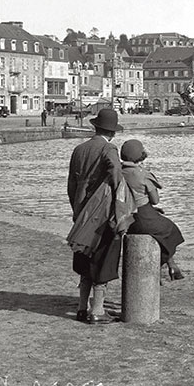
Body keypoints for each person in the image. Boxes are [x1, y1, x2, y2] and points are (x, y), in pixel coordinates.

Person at [66, 108, 130, 325]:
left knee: (83, 261)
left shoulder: (79, 149)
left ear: (96, 126)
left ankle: (82, 308)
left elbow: (71, 185)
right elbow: (116, 174)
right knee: (103, 260)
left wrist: (77, 209)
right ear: (112, 132)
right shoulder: (109, 148)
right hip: (101, 215)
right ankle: (98, 310)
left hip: (81, 212)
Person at [119, 139, 185, 281]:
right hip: (143, 216)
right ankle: (167, 264)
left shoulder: (117, 172)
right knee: (169, 229)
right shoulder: (143, 174)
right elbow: (155, 200)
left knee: (157, 227)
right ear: (140, 156)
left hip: (126, 219)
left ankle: (171, 265)